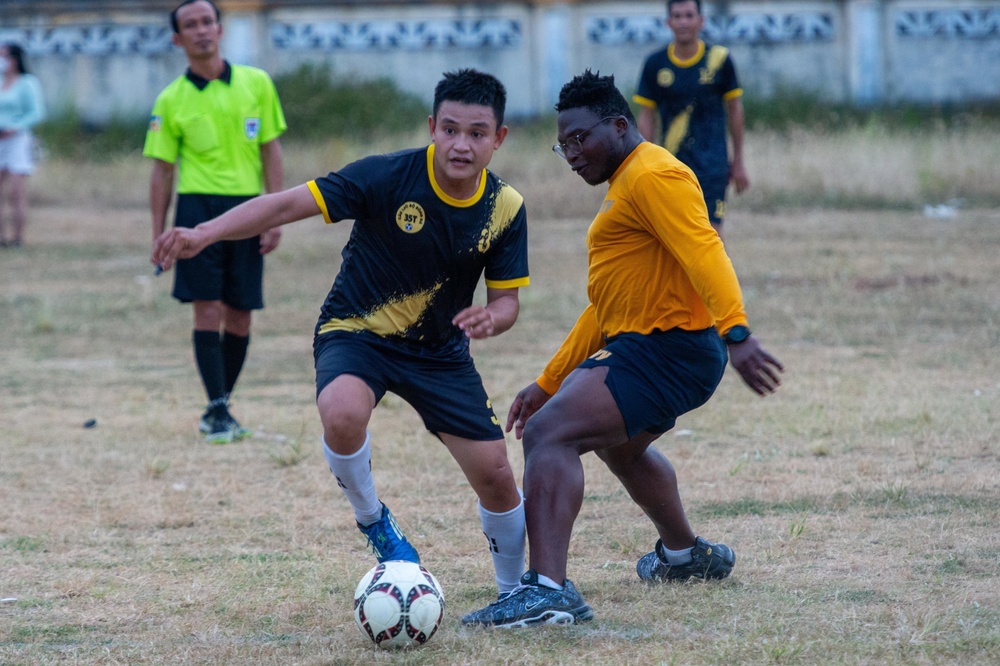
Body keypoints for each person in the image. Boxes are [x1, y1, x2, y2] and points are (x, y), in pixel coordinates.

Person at [153, 68, 530, 597]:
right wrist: (205, 233)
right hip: (356, 332)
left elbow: (507, 301)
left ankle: (514, 592)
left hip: (439, 352)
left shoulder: (506, 208)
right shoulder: (385, 176)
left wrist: (496, 317)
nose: (460, 144)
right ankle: (374, 520)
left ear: (499, 138)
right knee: (342, 413)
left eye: (476, 133)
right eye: (449, 129)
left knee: (496, 475)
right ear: (431, 127)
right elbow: (287, 203)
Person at [461, 70, 783, 628]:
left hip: (669, 349)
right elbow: (604, 309)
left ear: (619, 124)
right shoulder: (627, 185)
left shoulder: (654, 174)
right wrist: (548, 381)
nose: (572, 153)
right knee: (621, 447)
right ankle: (685, 556)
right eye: (563, 144)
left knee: (550, 433)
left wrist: (738, 332)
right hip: (654, 346)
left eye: (581, 138)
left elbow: (705, 248)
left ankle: (546, 590)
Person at [143, 0, 286, 444]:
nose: (201, 30)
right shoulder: (170, 99)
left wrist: (275, 214)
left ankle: (221, 403)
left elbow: (271, 150)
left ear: (220, 29)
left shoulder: (257, 83)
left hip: (247, 209)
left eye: (208, 22)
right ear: (177, 38)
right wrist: (158, 233)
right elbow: (162, 171)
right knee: (206, 307)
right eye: (191, 25)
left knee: (241, 313)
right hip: (196, 210)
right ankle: (218, 408)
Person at [634, 0, 749, 233]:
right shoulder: (655, 64)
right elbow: (647, 116)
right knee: (675, 234)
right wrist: (642, 162)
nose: (683, 21)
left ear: (700, 20)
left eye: (689, 15)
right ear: (668, 22)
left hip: (713, 164)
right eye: (677, 16)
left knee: (710, 233)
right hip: (672, 164)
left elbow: (735, 110)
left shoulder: (719, 59)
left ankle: (716, 271)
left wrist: (738, 161)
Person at [0, 43, 46, 248]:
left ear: (14, 59)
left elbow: (37, 112)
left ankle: (17, 237)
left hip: (17, 140)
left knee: (16, 191)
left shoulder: (27, 83)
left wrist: (15, 127)